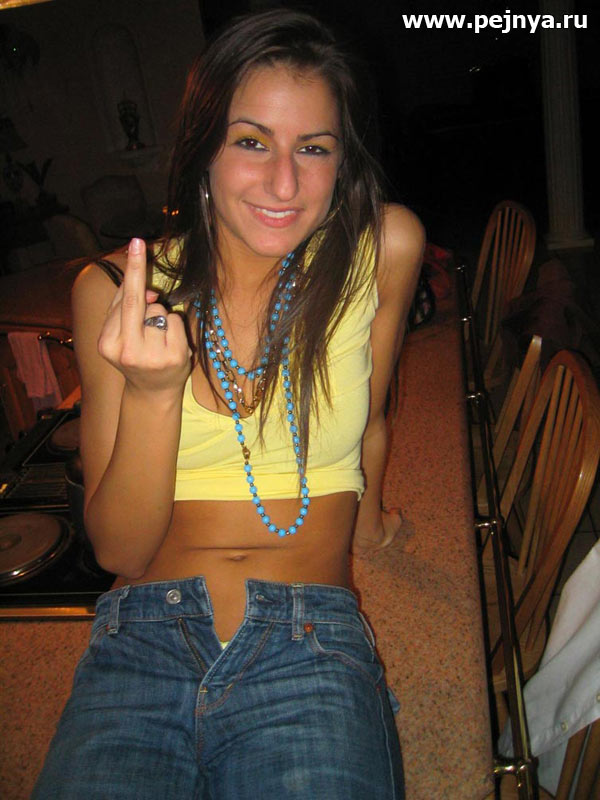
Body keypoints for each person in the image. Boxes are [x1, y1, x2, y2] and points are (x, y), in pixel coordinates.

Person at [33, 9, 424, 799]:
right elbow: (120, 551)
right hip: (141, 639)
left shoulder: (382, 248)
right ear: (203, 148)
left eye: (314, 148)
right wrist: (153, 393)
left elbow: (372, 419)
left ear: (342, 162)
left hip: (310, 637)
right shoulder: (117, 291)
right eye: (252, 142)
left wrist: (375, 524)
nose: (284, 183)